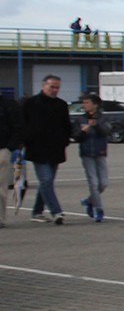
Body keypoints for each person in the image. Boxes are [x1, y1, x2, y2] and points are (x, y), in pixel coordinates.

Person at [21, 75, 72, 224]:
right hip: (37, 149)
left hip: (55, 149)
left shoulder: (61, 105)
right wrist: (25, 140)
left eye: (57, 87)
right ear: (44, 86)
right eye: (52, 87)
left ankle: (37, 212)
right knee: (46, 180)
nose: (54, 90)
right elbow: (23, 124)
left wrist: (64, 141)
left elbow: (66, 126)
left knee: (47, 182)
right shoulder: (30, 103)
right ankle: (57, 212)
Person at [76, 93, 109, 221]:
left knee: (104, 183)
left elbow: (107, 132)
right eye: (84, 103)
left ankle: (89, 201)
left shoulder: (103, 118)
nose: (84, 105)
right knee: (93, 183)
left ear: (95, 104)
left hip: (100, 152)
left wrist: (96, 125)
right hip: (86, 154)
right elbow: (76, 136)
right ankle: (98, 209)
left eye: (87, 103)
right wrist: (83, 131)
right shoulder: (80, 119)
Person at [0, 90, 23, 227]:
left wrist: (10, 147)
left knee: (1, 186)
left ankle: (0, 217)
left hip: (2, 149)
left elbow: (18, 126)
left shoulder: (8, 105)